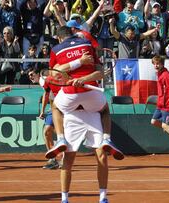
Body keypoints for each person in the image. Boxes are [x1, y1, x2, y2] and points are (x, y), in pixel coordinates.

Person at [44, 26, 124, 162]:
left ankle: (60, 139)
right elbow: (100, 74)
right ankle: (107, 139)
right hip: (92, 91)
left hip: (70, 94)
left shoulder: (56, 49)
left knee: (55, 107)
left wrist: (76, 66)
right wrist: (82, 68)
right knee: (105, 110)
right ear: (73, 34)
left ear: (59, 38)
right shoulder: (87, 44)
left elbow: (53, 74)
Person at [27, 67, 61, 169]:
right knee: (47, 131)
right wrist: (43, 111)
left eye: (32, 74)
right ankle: (52, 159)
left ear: (38, 74)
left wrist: (43, 110)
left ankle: (64, 159)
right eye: (29, 76)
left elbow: (46, 95)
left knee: (59, 133)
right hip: (53, 108)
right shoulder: (43, 82)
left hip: (63, 106)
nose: (30, 77)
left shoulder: (43, 79)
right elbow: (46, 94)